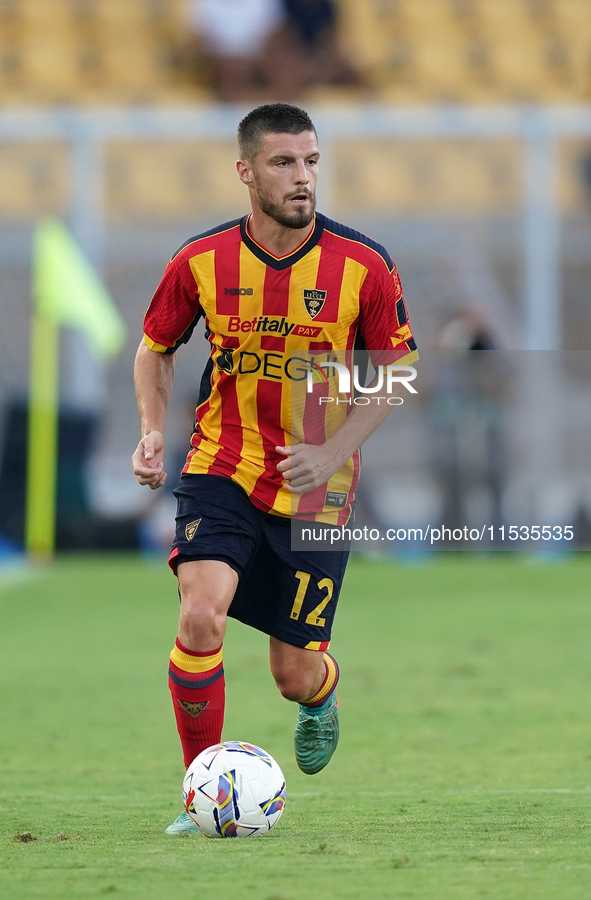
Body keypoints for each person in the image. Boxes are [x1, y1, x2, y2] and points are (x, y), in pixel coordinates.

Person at [132, 103, 418, 835]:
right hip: (221, 460)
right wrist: (149, 433)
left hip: (317, 485)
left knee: (292, 673)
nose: (302, 178)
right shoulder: (199, 260)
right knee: (199, 617)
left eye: (312, 162)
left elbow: (397, 370)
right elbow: (155, 346)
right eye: (284, 163)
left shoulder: (363, 263)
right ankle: (198, 797)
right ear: (245, 171)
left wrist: (330, 449)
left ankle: (322, 693)